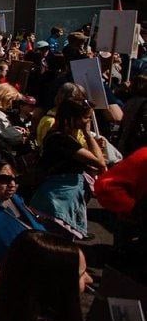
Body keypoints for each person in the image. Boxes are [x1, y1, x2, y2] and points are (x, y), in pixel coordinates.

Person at [30, 98, 106, 236]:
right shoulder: (60, 140)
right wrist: (88, 134)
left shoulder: (66, 138)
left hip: (61, 198)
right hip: (56, 201)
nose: (88, 122)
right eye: (86, 117)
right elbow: (100, 162)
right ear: (72, 118)